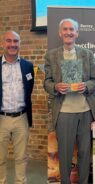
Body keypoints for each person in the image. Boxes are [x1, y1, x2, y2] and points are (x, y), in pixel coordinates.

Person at [44, 18, 95, 184]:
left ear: (77, 33)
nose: (69, 32)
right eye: (65, 29)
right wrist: (56, 86)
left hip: (85, 111)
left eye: (72, 30)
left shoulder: (87, 54)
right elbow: (46, 82)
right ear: (60, 33)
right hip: (63, 112)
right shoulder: (51, 55)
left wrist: (86, 85)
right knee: (65, 153)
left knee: (84, 153)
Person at [0, 31, 34, 184]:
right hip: (1, 118)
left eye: (16, 41)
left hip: (21, 117)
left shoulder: (28, 66)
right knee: (0, 158)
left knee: (21, 157)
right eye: (8, 41)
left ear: (20, 43)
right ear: (2, 43)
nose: (12, 44)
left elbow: (29, 89)